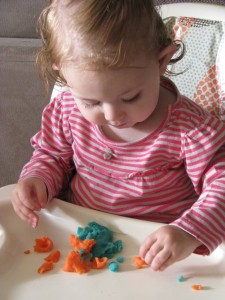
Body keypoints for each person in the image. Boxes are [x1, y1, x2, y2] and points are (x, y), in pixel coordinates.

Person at [11, 0, 225, 272]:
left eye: (130, 97)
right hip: (78, 238)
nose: (113, 115)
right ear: (62, 73)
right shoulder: (66, 111)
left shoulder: (192, 131)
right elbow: (51, 155)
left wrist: (189, 232)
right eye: (91, 102)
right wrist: (37, 179)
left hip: (160, 254)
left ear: (161, 61)